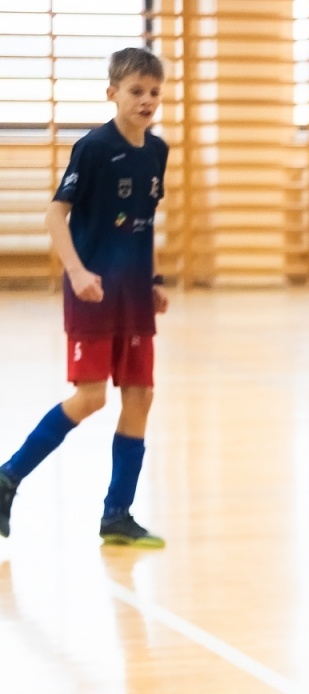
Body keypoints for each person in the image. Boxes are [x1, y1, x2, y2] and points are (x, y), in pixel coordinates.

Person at [0, 47, 169, 547]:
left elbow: (142, 224)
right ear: (112, 93)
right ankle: (8, 476)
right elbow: (56, 215)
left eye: (154, 92)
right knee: (92, 396)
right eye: (136, 91)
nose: (146, 101)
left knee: (140, 396)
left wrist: (153, 280)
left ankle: (117, 515)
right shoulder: (94, 148)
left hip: (135, 294)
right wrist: (76, 273)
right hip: (92, 293)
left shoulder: (158, 151)